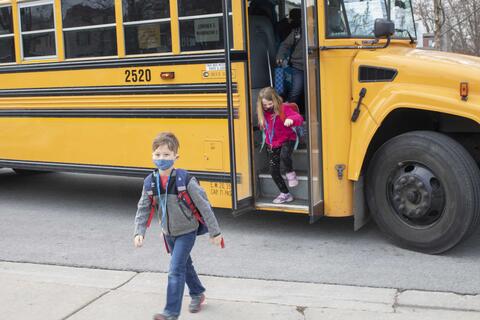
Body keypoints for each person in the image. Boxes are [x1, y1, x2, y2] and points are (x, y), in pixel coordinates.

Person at [133, 132, 224, 320]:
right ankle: (198, 293)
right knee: (185, 265)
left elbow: (204, 206)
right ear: (152, 156)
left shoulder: (185, 180)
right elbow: (143, 207)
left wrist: (215, 232)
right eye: (158, 155)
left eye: (166, 155)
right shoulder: (150, 182)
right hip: (168, 233)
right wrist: (139, 231)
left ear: (176, 156)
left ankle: (170, 313)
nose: (161, 159)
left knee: (175, 269)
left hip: (186, 232)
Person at [257, 87, 304, 204]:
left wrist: (290, 119)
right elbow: (264, 127)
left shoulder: (284, 108)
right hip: (272, 143)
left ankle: (290, 173)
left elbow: (298, 117)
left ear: (275, 100)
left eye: (270, 103)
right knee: (273, 170)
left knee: (284, 156)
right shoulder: (262, 113)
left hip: (288, 139)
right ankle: (285, 194)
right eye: (265, 104)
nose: (267, 106)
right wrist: (261, 124)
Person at [275, 8, 304, 112]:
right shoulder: (297, 31)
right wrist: (280, 56)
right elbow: (285, 44)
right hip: (297, 67)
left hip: (312, 66)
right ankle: (287, 114)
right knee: (295, 92)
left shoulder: (317, 31)